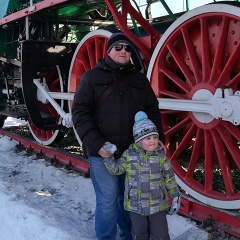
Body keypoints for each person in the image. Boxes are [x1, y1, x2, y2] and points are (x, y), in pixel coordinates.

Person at [71, 32, 165, 240]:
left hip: (133, 153)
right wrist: (96, 144)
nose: (123, 51)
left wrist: (158, 139)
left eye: (127, 48)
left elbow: (152, 110)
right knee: (107, 201)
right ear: (109, 51)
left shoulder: (138, 78)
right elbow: (79, 113)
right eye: (118, 47)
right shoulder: (92, 78)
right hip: (102, 153)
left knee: (128, 199)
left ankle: (127, 237)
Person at [104, 111, 180, 240]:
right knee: (139, 234)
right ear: (138, 141)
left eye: (155, 137)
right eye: (148, 138)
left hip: (157, 205)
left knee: (160, 235)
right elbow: (116, 169)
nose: (153, 141)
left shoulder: (161, 157)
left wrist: (175, 196)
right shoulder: (129, 155)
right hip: (135, 206)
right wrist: (108, 157)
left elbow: (169, 178)